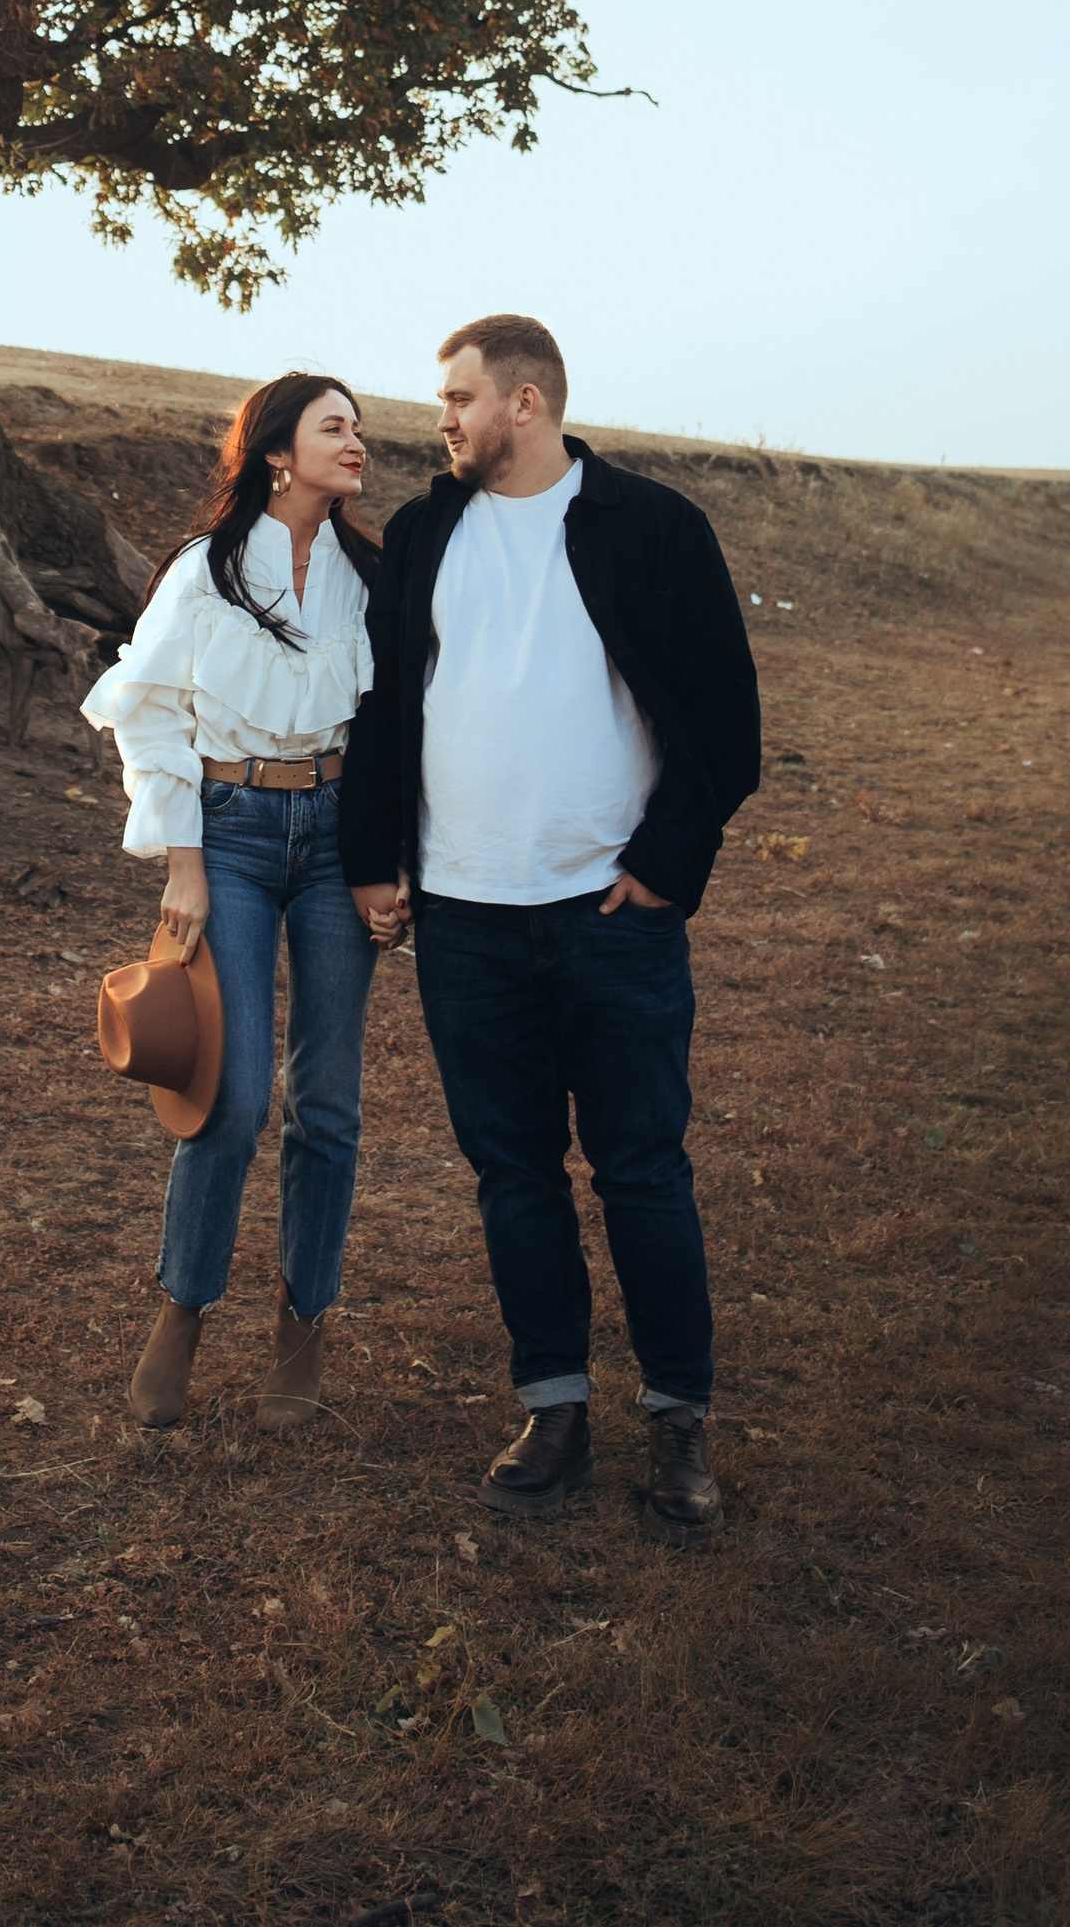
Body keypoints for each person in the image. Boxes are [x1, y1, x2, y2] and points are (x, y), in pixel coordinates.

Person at [339, 313, 760, 1542]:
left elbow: (724, 718)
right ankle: (554, 1408)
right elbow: (382, 706)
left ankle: (677, 1420)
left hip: (607, 915)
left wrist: (666, 864)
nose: (442, 419)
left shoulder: (654, 525)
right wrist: (375, 860)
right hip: (465, 918)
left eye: (458, 397)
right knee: (513, 1173)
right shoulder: (425, 532)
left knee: (641, 1170)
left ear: (524, 401)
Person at [82, 372, 383, 1436]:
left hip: (341, 836)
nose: (357, 441)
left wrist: (388, 860)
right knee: (233, 1092)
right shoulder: (206, 568)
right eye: (335, 426)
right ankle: (184, 1308)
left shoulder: (368, 572)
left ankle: (303, 1326)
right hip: (233, 833)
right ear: (277, 453)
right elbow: (150, 710)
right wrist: (184, 859)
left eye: (359, 427)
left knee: (328, 1102)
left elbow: (395, 727)